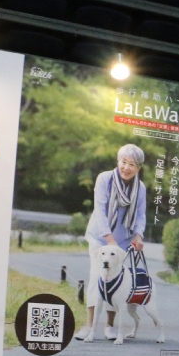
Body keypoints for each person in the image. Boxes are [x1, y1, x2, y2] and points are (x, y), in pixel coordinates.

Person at [75, 144, 147, 340]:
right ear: (118, 161)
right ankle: (89, 326)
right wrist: (109, 239)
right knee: (97, 277)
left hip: (123, 241)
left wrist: (138, 235)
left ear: (138, 168)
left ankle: (109, 326)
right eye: (124, 162)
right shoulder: (104, 179)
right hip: (100, 238)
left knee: (117, 280)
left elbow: (141, 214)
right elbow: (99, 210)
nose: (126, 167)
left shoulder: (140, 187)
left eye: (132, 164)